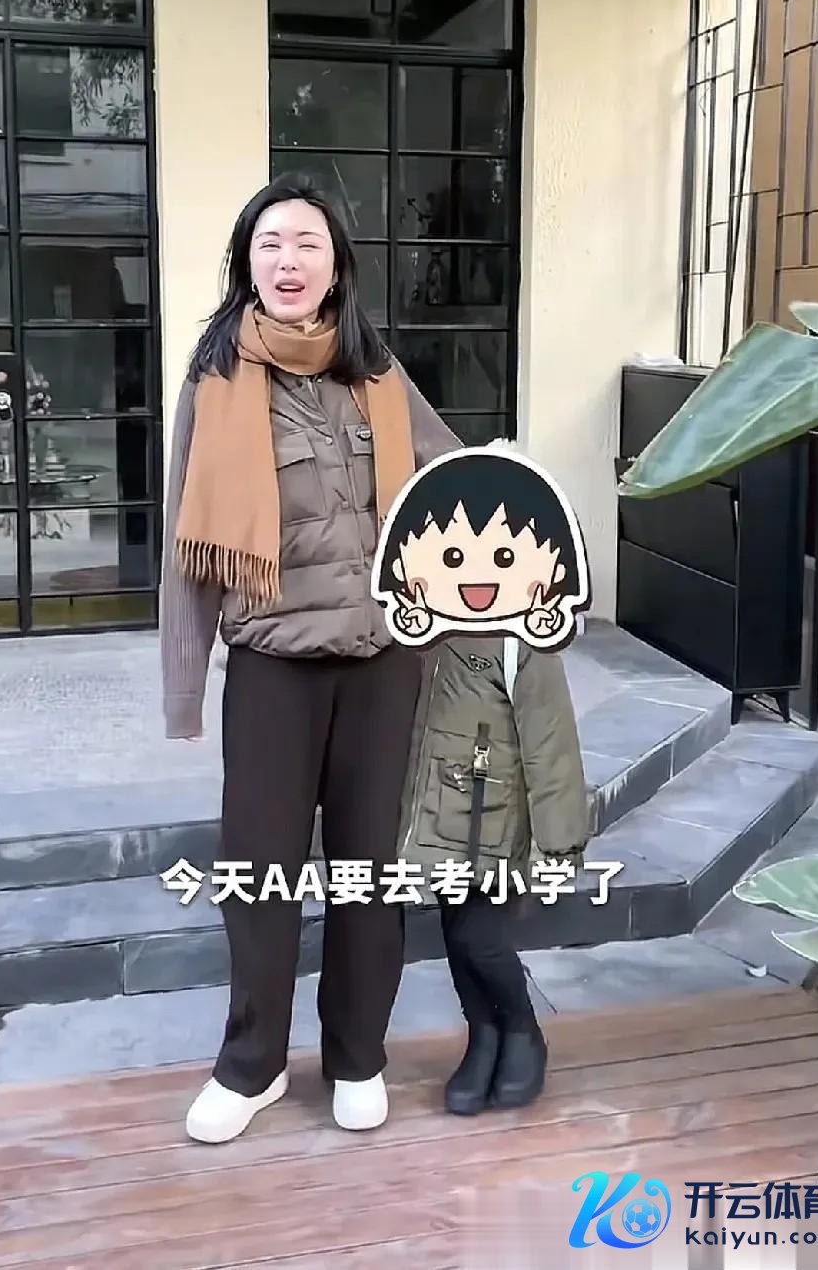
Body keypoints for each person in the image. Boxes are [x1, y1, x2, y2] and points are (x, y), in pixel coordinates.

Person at [160, 173, 460, 1143]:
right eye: (271, 244)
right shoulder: (213, 383)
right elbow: (184, 541)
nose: (288, 262)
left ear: (337, 267)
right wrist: (182, 687)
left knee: (372, 871)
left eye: (308, 245)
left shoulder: (379, 375)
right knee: (258, 875)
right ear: (246, 262)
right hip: (273, 666)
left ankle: (357, 1056)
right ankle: (250, 1068)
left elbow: (453, 485)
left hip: (382, 662)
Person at [398, 628, 591, 1115]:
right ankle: (484, 1033)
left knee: (479, 938)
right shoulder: (425, 625)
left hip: (495, 819)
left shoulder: (523, 641)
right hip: (439, 814)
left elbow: (552, 748)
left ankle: (522, 1029)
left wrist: (559, 844)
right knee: (457, 932)